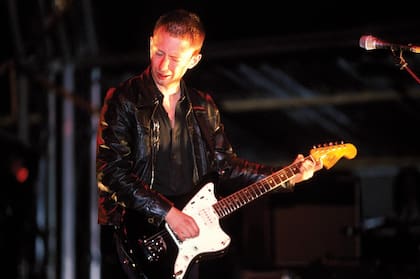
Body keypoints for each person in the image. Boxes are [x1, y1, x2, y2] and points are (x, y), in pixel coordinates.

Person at [96, 9, 322, 279]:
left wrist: (287, 175)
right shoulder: (124, 100)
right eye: (158, 53)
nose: (163, 66)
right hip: (137, 235)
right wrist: (169, 214)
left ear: (194, 60)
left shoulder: (203, 106)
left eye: (175, 58)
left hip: (188, 241)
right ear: (150, 44)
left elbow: (227, 167)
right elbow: (112, 173)